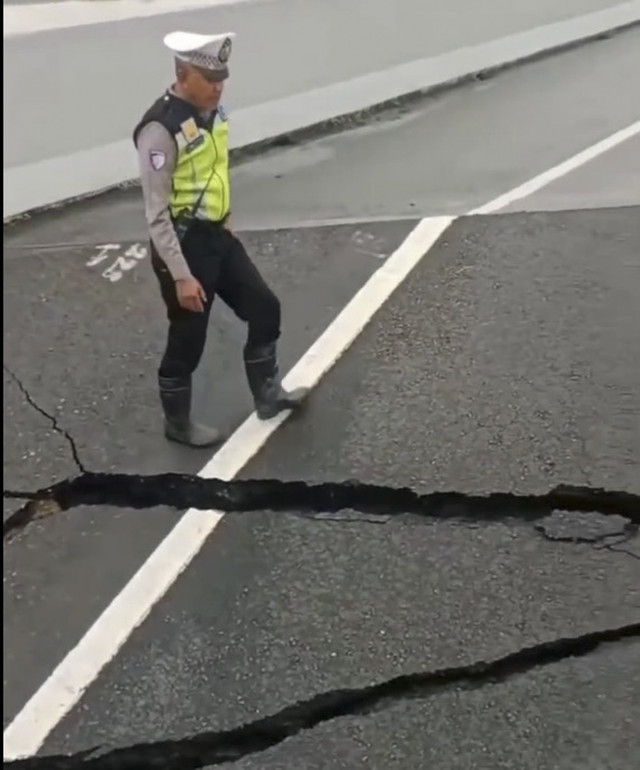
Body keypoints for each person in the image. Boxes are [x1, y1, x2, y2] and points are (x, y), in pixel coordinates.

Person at [133, 30, 308, 448]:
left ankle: (268, 395)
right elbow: (156, 214)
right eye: (209, 79)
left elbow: (215, 168)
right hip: (182, 246)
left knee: (265, 308)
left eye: (221, 79)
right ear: (181, 74)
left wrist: (226, 216)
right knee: (188, 338)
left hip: (216, 235)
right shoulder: (160, 130)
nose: (218, 87)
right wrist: (180, 276)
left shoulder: (213, 113)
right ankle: (178, 424)